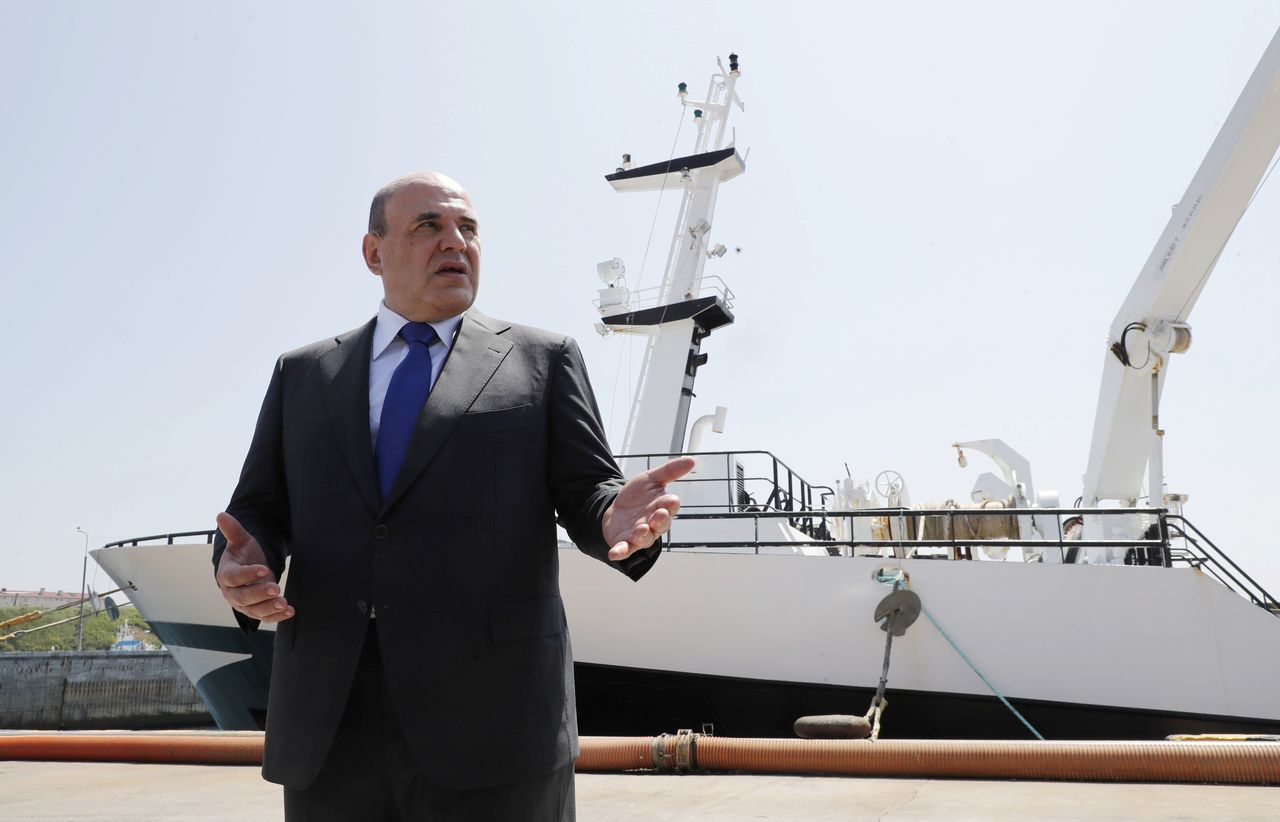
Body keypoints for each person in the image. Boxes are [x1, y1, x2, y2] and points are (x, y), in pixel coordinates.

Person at [213, 171, 693, 821]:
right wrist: (241, 561)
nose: (455, 242)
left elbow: (588, 493)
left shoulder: (543, 360)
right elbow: (259, 511)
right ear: (373, 252)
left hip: (496, 725)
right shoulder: (302, 375)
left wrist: (613, 514)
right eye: (428, 226)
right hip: (332, 727)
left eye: (468, 228)